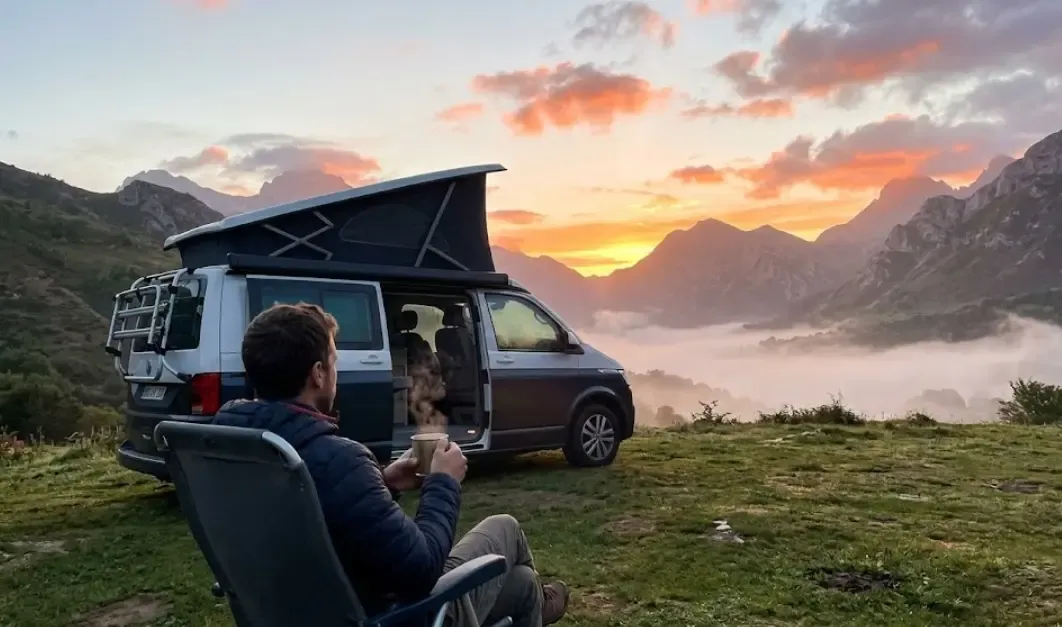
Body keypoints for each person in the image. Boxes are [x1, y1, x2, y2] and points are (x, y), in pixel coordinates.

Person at [212, 302, 570, 627]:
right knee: (504, 527)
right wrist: (442, 482)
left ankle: (536, 599)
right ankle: (540, 601)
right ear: (318, 373)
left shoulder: (231, 449)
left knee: (521, 586)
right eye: (335, 361)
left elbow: (318, 516)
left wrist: (383, 482)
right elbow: (421, 570)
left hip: (290, 610)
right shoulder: (338, 460)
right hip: (394, 616)